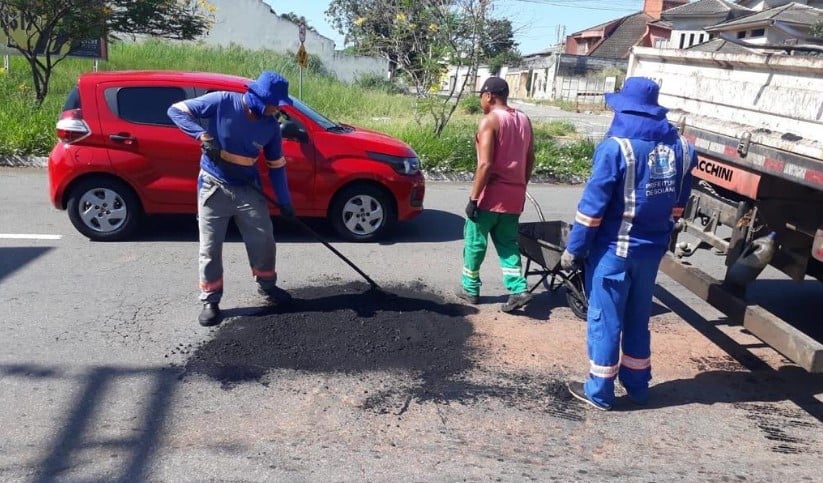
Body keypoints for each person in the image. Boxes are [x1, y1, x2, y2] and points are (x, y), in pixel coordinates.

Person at [561, 77, 696, 410]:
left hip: (614, 252)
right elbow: (680, 203)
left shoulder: (616, 148)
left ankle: (599, 392)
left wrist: (574, 249)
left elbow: (592, 210)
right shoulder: (684, 148)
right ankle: (637, 385)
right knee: (638, 319)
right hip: (651, 252)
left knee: (606, 321)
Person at [167, 70, 295, 327]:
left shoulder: (270, 126)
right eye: (273, 104)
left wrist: (285, 200)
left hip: (248, 188)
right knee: (210, 247)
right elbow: (176, 111)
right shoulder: (222, 101)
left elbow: (276, 165)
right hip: (213, 186)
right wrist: (202, 137)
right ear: (259, 98)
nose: (275, 110)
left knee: (264, 240)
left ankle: (267, 286)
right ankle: (211, 300)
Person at [458, 76, 536, 313]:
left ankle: (470, 288)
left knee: (475, 241)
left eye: (482, 96)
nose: (481, 101)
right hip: (514, 196)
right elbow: (530, 158)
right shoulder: (524, 119)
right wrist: (521, 184)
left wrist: (473, 198)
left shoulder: (489, 121)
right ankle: (518, 289)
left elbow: (485, 164)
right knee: (508, 244)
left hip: (490, 196)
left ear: (489, 96)